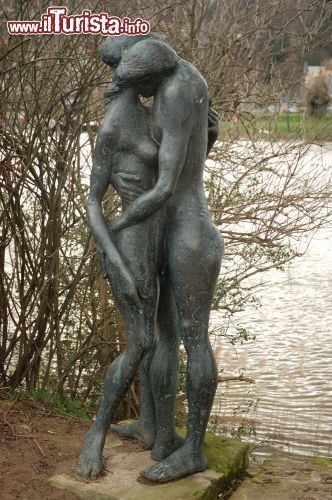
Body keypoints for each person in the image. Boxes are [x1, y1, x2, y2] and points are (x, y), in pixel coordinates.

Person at [77, 34, 223, 483]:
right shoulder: (182, 80)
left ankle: (191, 450)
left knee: (192, 339)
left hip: (189, 232)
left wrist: (117, 231)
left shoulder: (174, 90)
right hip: (169, 228)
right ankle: (155, 430)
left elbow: (163, 187)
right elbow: (212, 129)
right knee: (164, 335)